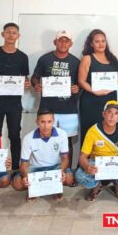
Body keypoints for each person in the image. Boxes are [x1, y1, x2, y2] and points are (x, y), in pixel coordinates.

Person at [31, 30, 80, 176]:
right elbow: (34, 77)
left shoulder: (76, 61)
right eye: (60, 40)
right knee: (45, 139)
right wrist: (36, 85)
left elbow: (81, 83)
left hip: (69, 109)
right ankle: (46, 171)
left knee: (68, 142)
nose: (63, 43)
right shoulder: (44, 59)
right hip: (48, 109)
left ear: (71, 43)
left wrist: (77, 87)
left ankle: (68, 171)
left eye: (66, 40)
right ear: (55, 42)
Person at [0, 22, 30, 171]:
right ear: (3, 34)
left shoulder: (23, 57)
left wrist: (27, 84)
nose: (11, 35)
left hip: (14, 103)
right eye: (8, 32)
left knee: (14, 135)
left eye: (14, 32)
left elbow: (25, 78)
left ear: (18, 36)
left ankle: (16, 169)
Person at [75, 100, 118, 201]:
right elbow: (83, 156)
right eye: (109, 112)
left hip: (116, 163)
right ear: (103, 114)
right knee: (79, 175)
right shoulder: (93, 130)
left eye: (116, 113)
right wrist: (87, 166)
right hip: (97, 163)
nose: (112, 116)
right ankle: (97, 184)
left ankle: (117, 183)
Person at [12, 108, 73, 202]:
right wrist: (25, 177)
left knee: (69, 179)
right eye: (42, 122)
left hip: (56, 167)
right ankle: (35, 189)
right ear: (37, 122)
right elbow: (24, 163)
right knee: (18, 185)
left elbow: (65, 158)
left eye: (49, 122)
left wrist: (62, 171)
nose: (46, 126)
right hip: (36, 168)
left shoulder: (62, 134)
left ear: (53, 121)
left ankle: (54, 188)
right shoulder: (28, 138)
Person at [78, 29, 118, 143]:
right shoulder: (87, 58)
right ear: (91, 44)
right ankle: (86, 161)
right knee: (90, 134)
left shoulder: (112, 58)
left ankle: (105, 160)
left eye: (103, 41)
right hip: (91, 101)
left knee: (108, 133)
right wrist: (95, 91)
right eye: (97, 41)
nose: (101, 44)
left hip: (110, 101)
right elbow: (81, 81)